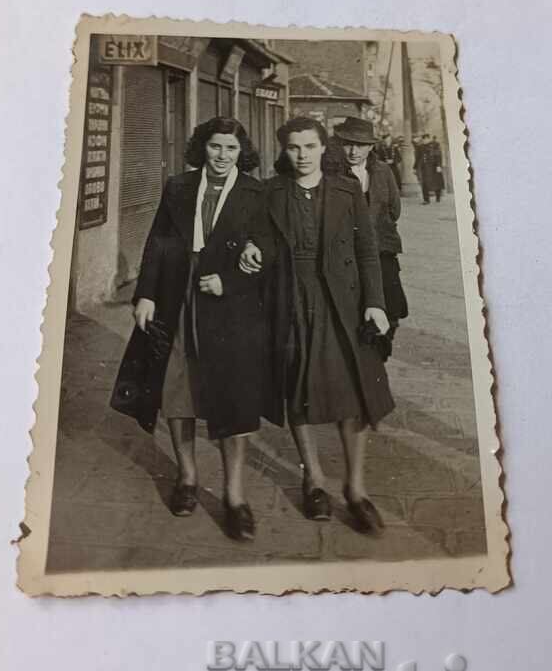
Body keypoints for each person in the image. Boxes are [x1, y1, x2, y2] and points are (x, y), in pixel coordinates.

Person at [110, 118, 263, 541]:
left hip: (227, 301)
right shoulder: (178, 187)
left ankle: (235, 498)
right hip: (178, 294)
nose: (222, 156)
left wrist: (237, 271)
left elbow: (267, 247)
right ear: (202, 147)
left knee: (232, 396)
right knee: (176, 386)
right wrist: (146, 294)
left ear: (241, 152)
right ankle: (188, 478)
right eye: (215, 146)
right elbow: (157, 242)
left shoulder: (255, 192)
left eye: (231, 148)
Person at [240, 116, 394, 535]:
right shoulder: (271, 192)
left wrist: (375, 303)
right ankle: (314, 481)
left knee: (354, 393)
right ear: (284, 150)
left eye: (310, 146)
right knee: (298, 387)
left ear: (324, 148)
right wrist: (251, 247)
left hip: (342, 303)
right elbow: (259, 237)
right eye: (294, 147)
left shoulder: (347, 190)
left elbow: (367, 250)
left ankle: (355, 489)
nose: (302, 155)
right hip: (290, 300)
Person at [332, 117, 409, 358]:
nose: (353, 151)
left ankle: (380, 353)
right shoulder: (332, 172)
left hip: (382, 248)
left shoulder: (383, 171)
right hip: (346, 251)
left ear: (371, 146)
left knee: (390, 305)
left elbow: (394, 209)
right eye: (348, 144)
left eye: (361, 145)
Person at [414, 131, 444, 203]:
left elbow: (438, 156)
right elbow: (418, 158)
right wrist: (415, 167)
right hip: (424, 168)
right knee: (424, 183)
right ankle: (426, 200)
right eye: (423, 139)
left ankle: (438, 197)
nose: (425, 140)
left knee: (436, 182)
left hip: (434, 167)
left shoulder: (435, 145)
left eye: (426, 139)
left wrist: (439, 166)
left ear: (429, 138)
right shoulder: (420, 147)